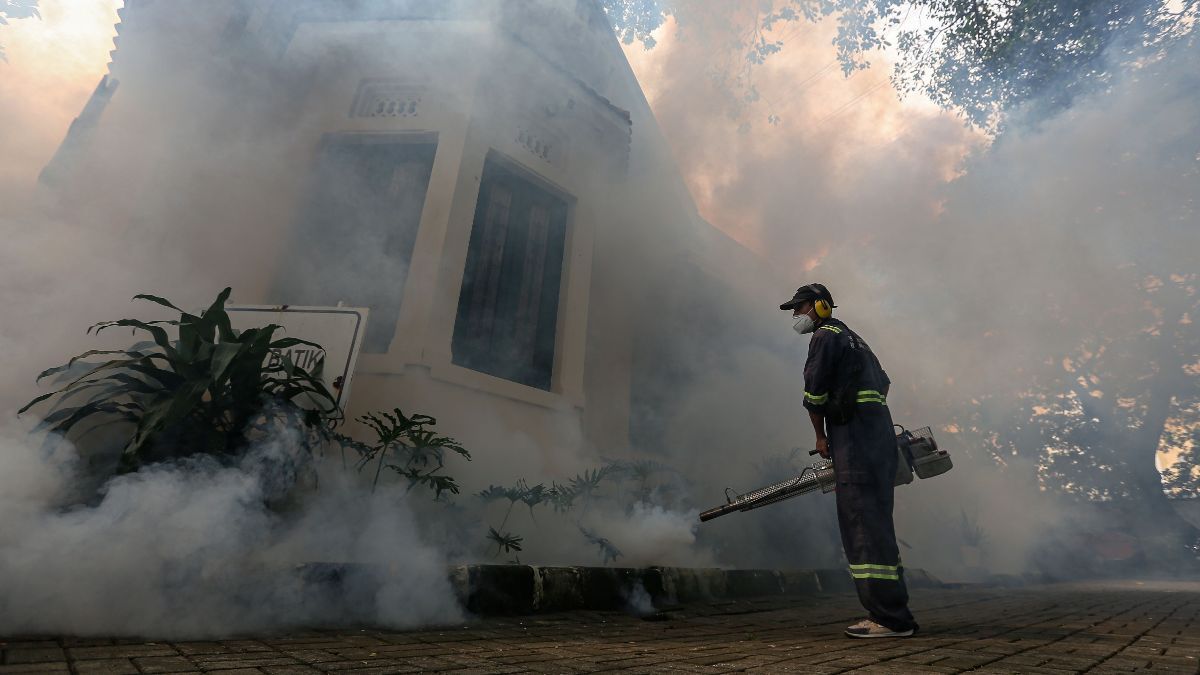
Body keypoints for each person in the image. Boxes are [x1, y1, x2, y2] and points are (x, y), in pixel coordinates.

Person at [780, 283, 919, 638]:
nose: (797, 315)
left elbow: (813, 395)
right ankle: (895, 613)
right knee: (877, 527)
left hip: (854, 444)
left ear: (821, 306)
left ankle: (888, 619)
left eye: (801, 308)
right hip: (879, 441)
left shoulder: (825, 337)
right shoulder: (855, 338)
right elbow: (883, 383)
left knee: (861, 529)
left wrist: (822, 436)